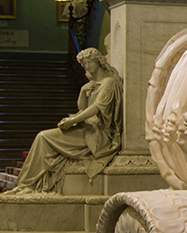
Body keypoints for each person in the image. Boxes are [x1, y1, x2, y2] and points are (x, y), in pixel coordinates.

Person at [13, 49, 123, 194]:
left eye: (89, 62)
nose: (87, 66)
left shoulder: (109, 83)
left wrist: (72, 121)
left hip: (98, 135)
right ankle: (26, 184)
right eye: (84, 64)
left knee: (43, 137)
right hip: (88, 128)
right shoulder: (95, 83)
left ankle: (27, 185)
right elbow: (83, 107)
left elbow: (96, 108)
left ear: (98, 61)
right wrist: (83, 91)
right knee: (43, 137)